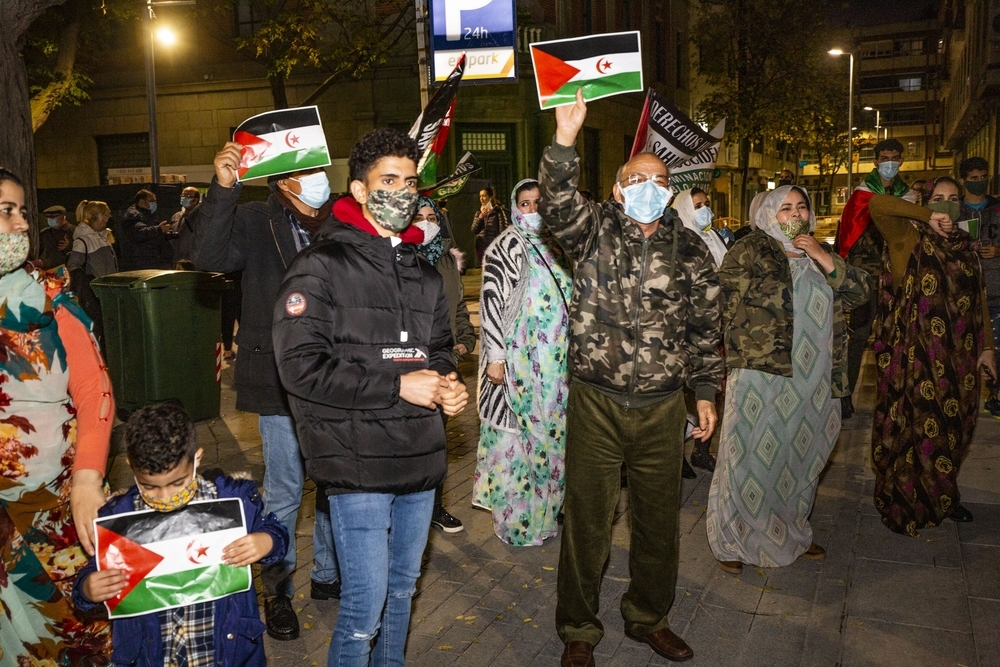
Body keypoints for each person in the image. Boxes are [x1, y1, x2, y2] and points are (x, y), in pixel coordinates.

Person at [272, 127, 470, 667]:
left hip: (419, 456)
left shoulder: (424, 272)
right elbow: (299, 367)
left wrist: (447, 382)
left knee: (404, 593)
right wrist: (397, 385)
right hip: (355, 461)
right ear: (358, 190)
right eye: (388, 180)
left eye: (410, 182)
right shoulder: (321, 266)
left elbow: (439, 349)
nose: (403, 192)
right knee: (364, 607)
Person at [541, 90, 722, 666]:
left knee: (657, 522)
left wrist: (707, 393)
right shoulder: (592, 230)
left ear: (670, 192)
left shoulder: (690, 249)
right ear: (619, 189)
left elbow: (703, 327)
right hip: (596, 400)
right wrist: (565, 139)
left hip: (664, 405)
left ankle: (649, 617)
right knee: (588, 519)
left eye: (660, 181)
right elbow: (557, 202)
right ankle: (577, 628)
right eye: (638, 179)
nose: (650, 187)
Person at [194, 155, 342, 639]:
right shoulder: (257, 218)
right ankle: (277, 591)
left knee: (333, 483)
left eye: (322, 167)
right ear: (283, 178)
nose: (320, 178)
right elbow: (210, 257)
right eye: (309, 169)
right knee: (284, 485)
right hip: (280, 376)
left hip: (336, 376)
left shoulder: (340, 218)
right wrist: (224, 188)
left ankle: (327, 575)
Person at [706, 186, 871, 574]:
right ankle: (732, 536)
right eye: (784, 209)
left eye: (801, 207)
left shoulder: (822, 255)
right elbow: (719, 305)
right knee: (749, 458)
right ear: (767, 215)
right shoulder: (751, 250)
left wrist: (822, 256)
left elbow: (861, 294)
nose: (793, 214)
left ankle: (790, 530)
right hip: (762, 377)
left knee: (801, 458)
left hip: (815, 380)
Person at [72, 402, 289, 667]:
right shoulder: (119, 517)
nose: (166, 498)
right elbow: (92, 571)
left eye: (177, 483)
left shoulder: (232, 500)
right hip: (156, 654)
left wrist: (266, 541)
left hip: (225, 649)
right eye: (150, 487)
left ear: (196, 459)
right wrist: (87, 588)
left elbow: (276, 531)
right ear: (131, 466)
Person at [0, 167, 114, 662]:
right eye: (7, 211)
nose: (22, 223)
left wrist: (88, 480)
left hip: (52, 504)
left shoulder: (50, 295)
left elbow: (94, 389)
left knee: (77, 632)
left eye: (22, 211)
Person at [868, 177, 997, 534]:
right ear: (925, 203)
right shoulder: (907, 239)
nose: (947, 205)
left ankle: (943, 495)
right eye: (938, 198)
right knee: (915, 430)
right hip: (915, 362)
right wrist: (927, 216)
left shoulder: (965, 248)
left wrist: (987, 348)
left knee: (953, 431)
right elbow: (876, 205)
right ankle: (907, 499)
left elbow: (979, 300)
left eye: (953, 200)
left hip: (960, 361)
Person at [473, 178, 573, 546]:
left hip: (558, 366)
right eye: (526, 203)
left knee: (553, 439)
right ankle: (520, 522)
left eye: (539, 203)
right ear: (516, 207)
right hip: (520, 364)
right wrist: (495, 357)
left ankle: (549, 511)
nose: (533, 210)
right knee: (520, 441)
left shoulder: (558, 245)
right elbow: (491, 305)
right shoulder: (506, 245)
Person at [835, 139, 917, 419]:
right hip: (865, 277)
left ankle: (897, 398)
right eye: (885, 158)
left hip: (897, 275)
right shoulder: (862, 194)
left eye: (895, 157)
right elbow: (846, 234)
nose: (890, 163)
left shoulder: (908, 195)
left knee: (898, 337)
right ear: (875, 161)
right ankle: (844, 395)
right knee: (858, 336)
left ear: (902, 160)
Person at [414, 195, 472, 533]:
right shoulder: (402, 257)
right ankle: (406, 508)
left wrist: (465, 338)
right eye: (418, 216)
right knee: (411, 441)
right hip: (410, 366)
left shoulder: (449, 260)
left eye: (431, 216)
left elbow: (458, 305)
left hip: (444, 361)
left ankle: (434, 508)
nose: (426, 222)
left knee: (437, 441)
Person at [673, 187, 731, 475]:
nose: (704, 210)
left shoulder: (714, 238)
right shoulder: (677, 244)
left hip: (714, 330)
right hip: (686, 333)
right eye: (697, 205)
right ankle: (676, 455)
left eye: (706, 204)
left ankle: (701, 450)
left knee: (710, 392)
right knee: (682, 397)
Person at [958, 158, 1000, 416]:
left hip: (996, 288)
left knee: (997, 343)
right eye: (973, 178)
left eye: (983, 176)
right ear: (963, 179)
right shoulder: (955, 210)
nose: (979, 181)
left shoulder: (997, 208)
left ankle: (995, 393)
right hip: (964, 290)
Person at [67, 199, 118, 349]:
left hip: (107, 292)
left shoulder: (103, 236)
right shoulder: (83, 240)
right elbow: (73, 266)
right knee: (97, 331)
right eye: (106, 215)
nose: (109, 218)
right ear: (98, 216)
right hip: (95, 295)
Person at [118, 188, 174, 270]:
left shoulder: (147, 215)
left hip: (148, 261)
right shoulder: (133, 216)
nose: (154, 204)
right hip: (141, 263)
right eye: (151, 201)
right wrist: (158, 229)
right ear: (141, 201)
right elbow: (138, 233)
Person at [471, 185, 507, 266]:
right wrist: (480, 217)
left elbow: (503, 230)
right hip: (481, 247)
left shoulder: (497, 211)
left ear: (490, 197)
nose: (481, 198)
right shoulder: (478, 213)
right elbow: (474, 230)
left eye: (484, 196)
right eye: (480, 196)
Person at [171, 185, 202, 264]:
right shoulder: (177, 216)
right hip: (177, 259)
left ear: (195, 200)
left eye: (187, 196)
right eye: (182, 195)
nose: (183, 198)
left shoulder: (201, 217)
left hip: (193, 259)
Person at [38, 204, 75, 269]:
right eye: (48, 217)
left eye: (54, 217)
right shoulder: (45, 233)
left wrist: (69, 246)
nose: (50, 219)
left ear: (63, 217)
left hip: (68, 270)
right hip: (50, 271)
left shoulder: (73, 231)